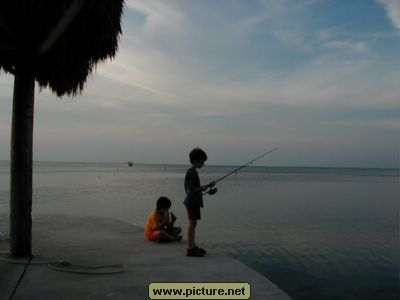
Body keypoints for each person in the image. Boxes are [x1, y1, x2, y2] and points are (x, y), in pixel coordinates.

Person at [184, 148, 215, 257]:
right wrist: (202, 187)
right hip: (192, 202)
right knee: (192, 224)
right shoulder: (192, 173)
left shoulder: (191, 171)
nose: (203, 164)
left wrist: (206, 186)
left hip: (192, 202)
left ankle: (193, 245)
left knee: (193, 223)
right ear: (196, 161)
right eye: (202, 161)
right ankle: (190, 248)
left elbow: (193, 189)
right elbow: (191, 190)